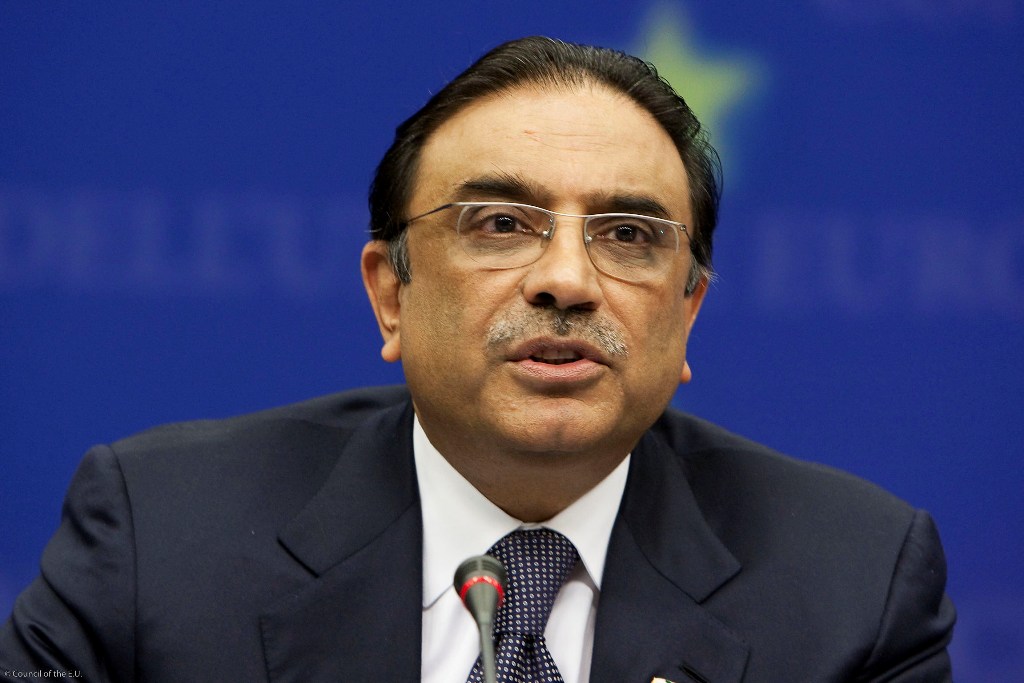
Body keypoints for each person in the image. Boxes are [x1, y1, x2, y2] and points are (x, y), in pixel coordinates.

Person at [1, 36, 954, 682]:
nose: (567, 280)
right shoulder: (159, 536)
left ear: (688, 311)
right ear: (391, 291)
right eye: (501, 224)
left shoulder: (855, 586)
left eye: (628, 235)